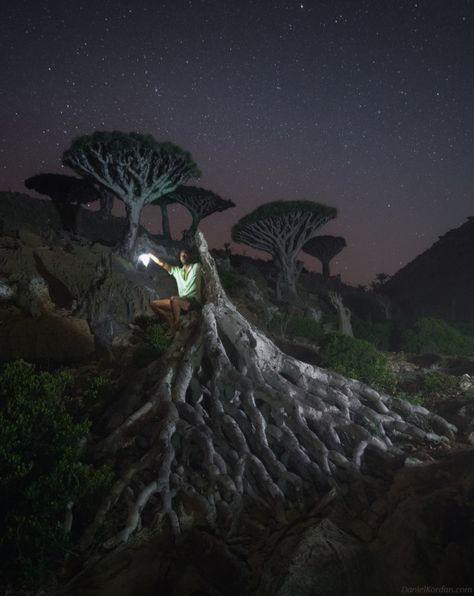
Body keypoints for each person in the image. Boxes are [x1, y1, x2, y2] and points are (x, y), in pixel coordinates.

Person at [148, 248, 203, 333]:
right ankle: (170, 322)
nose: (183, 256)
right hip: (180, 302)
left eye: (185, 254)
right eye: (181, 255)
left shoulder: (197, 267)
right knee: (153, 304)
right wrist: (151, 255)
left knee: (174, 299)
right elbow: (162, 264)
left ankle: (176, 325)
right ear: (179, 258)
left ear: (189, 256)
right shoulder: (177, 271)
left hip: (193, 301)